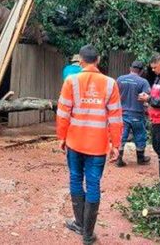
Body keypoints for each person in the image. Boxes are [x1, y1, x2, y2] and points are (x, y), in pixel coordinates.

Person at [56, 45, 123, 245]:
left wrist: (62, 137)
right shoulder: (111, 83)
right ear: (98, 60)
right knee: (93, 183)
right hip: (98, 145)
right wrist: (116, 144)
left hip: (75, 142)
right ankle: (87, 234)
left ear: (81, 61)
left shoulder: (71, 81)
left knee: (76, 179)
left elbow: (62, 113)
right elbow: (116, 117)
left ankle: (79, 223)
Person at [115, 61, 151, 167]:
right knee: (140, 136)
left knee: (121, 136)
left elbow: (115, 94)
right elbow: (145, 97)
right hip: (137, 114)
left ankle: (118, 159)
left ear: (130, 68)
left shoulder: (120, 79)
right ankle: (141, 159)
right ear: (141, 71)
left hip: (122, 113)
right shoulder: (143, 82)